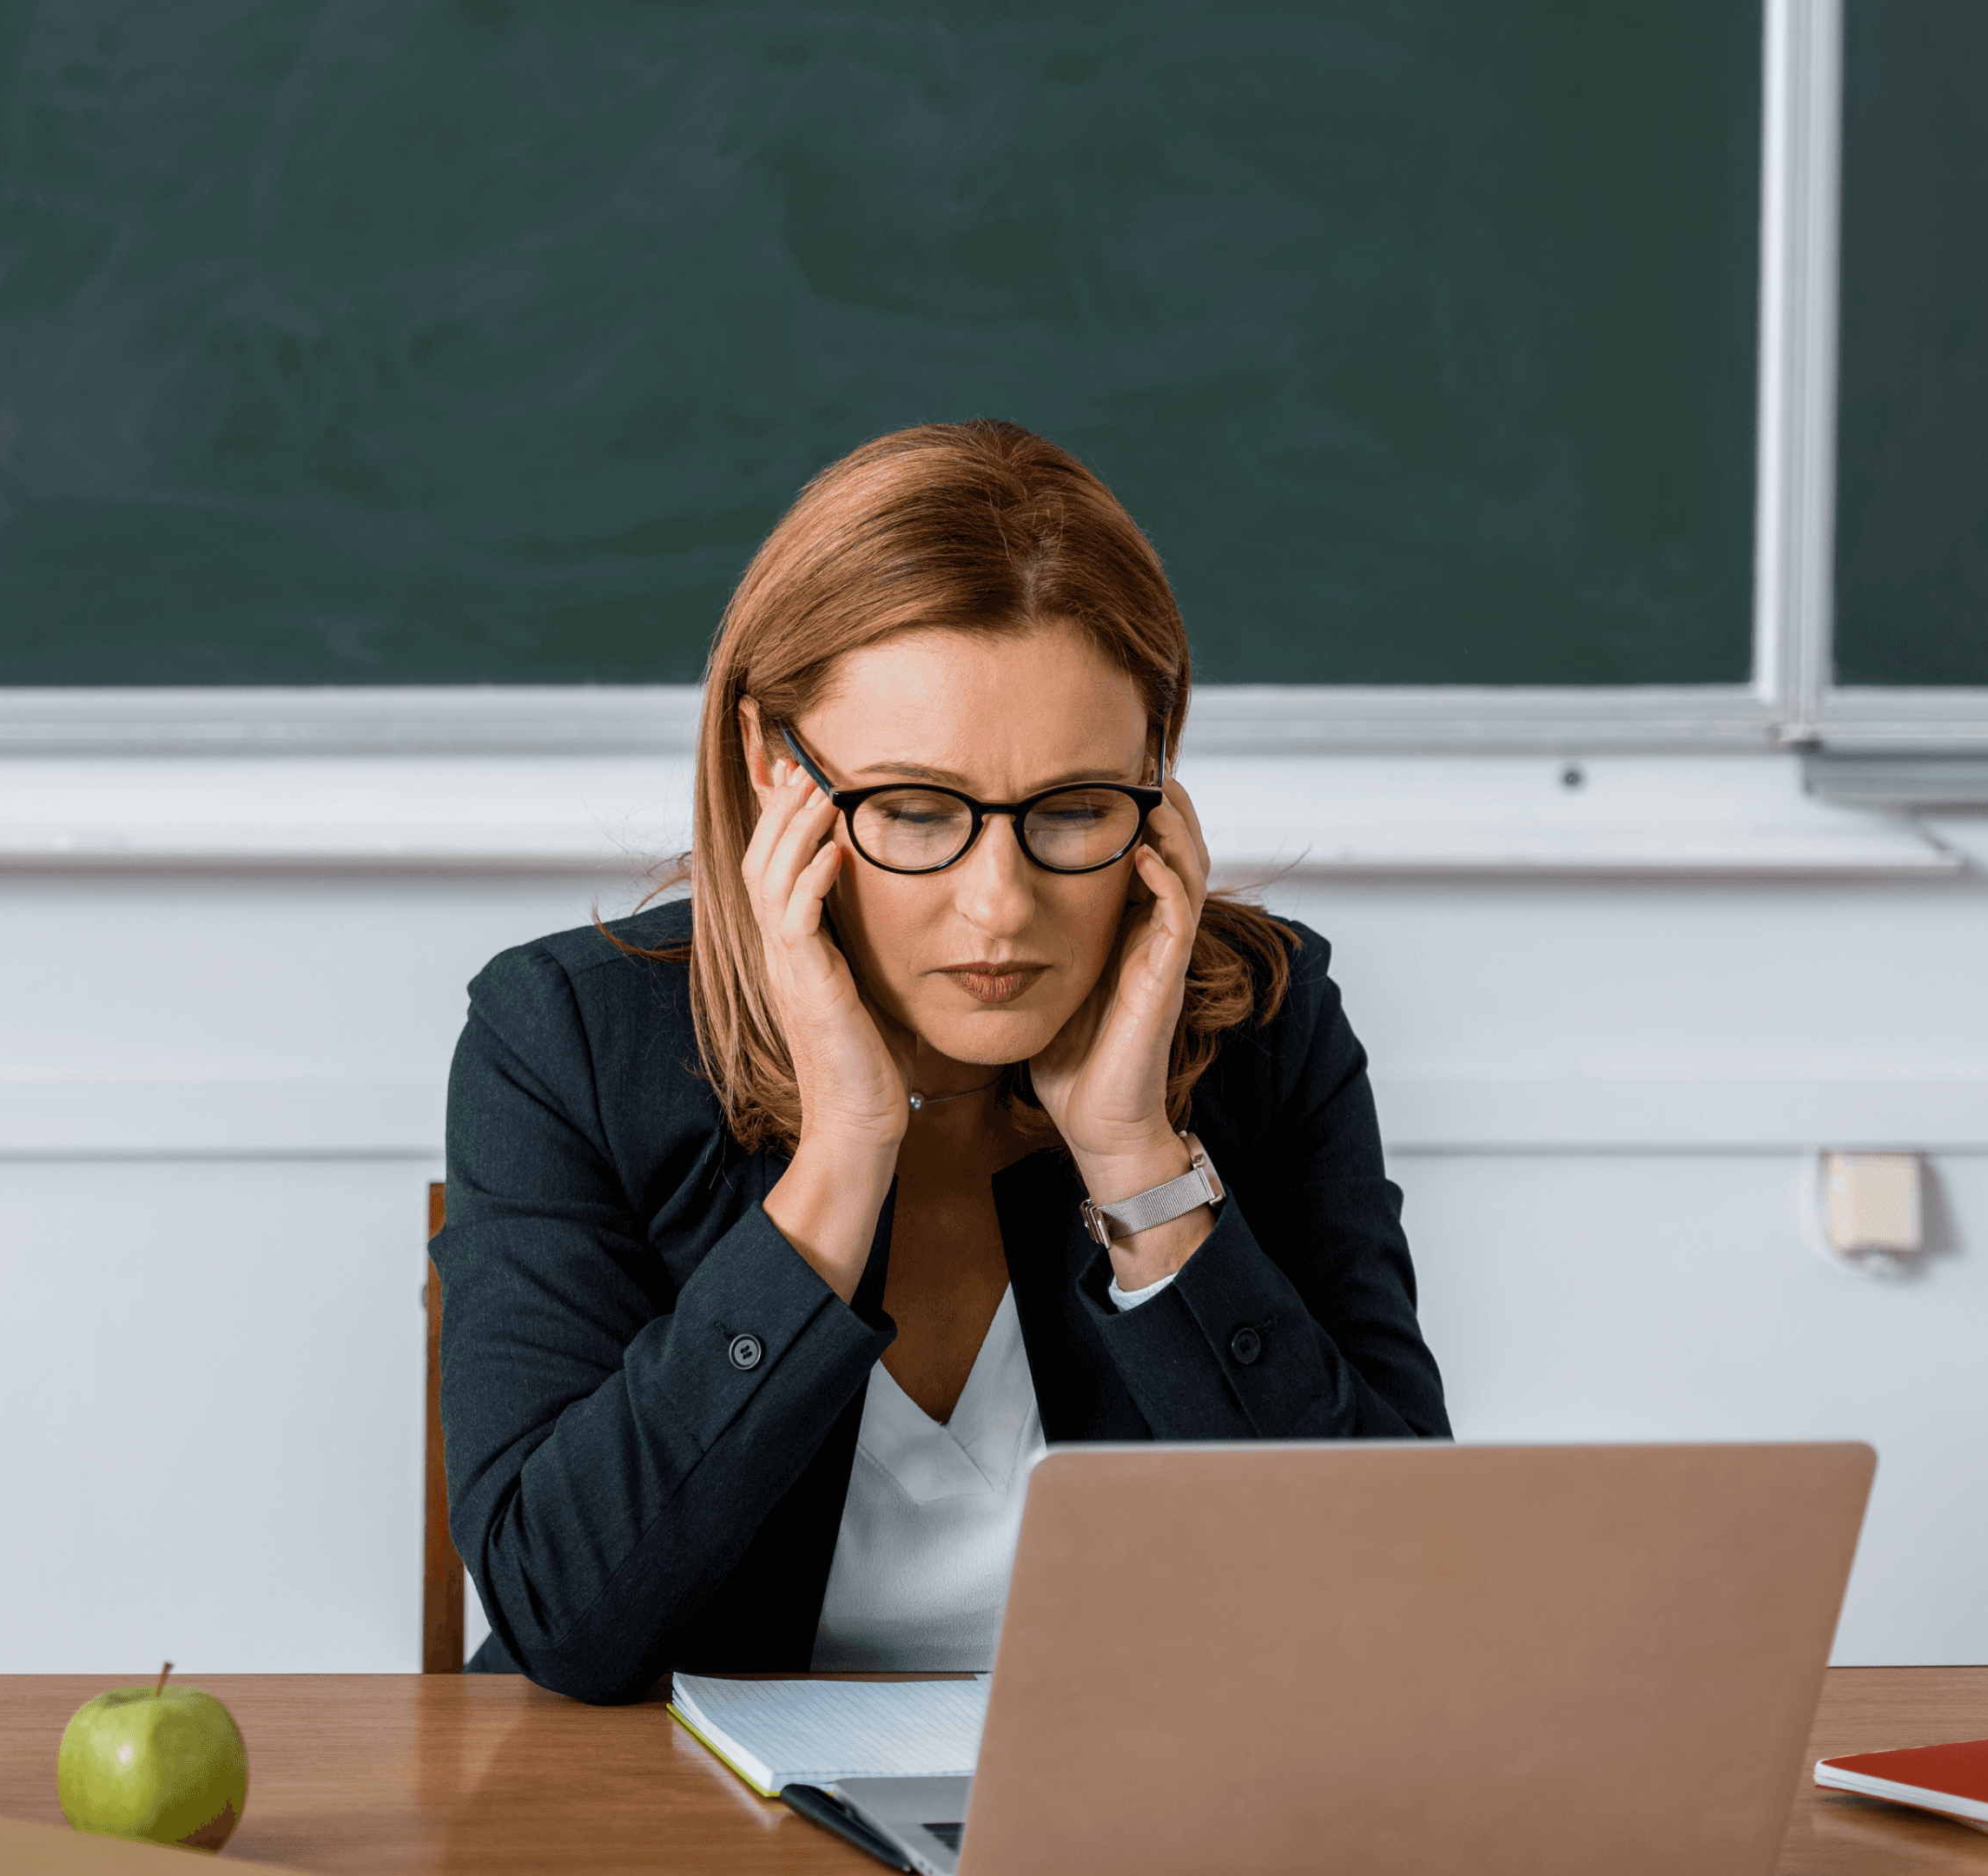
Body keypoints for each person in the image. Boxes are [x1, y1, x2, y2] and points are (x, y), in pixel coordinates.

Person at [433, 420, 1447, 1705]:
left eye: (1075, 809)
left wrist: (1139, 1167)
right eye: (916, 812)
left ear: (1155, 777)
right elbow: (565, 1626)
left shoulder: (1265, 1027)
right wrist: (845, 1161)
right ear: (771, 770)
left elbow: (1383, 1598)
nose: (999, 907)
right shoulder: (566, 1040)